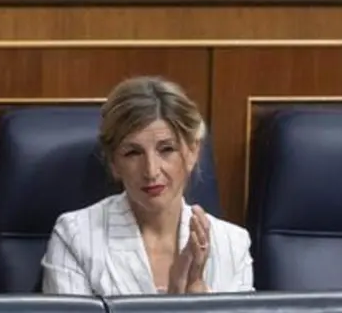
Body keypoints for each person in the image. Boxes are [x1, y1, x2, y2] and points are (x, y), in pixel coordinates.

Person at [41, 76, 253, 295]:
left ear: (192, 152)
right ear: (114, 163)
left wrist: (200, 300)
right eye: (133, 153)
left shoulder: (232, 245)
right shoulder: (76, 237)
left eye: (166, 149)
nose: (151, 171)